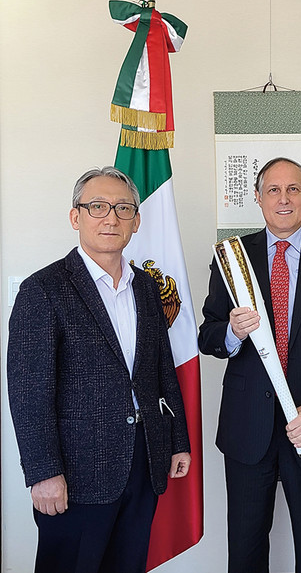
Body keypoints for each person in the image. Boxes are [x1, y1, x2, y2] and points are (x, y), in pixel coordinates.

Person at [7, 166, 191, 573]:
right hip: (75, 476)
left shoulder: (146, 286)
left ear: (137, 221)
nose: (111, 217)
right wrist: (43, 472)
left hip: (142, 463)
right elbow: (28, 393)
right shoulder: (43, 290)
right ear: (76, 217)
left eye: (123, 208)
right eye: (98, 207)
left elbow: (161, 369)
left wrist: (177, 439)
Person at [199, 157, 301, 573]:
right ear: (257, 198)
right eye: (273, 190)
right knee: (246, 544)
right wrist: (232, 333)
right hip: (246, 426)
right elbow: (207, 336)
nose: (284, 199)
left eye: (294, 189)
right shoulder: (232, 258)